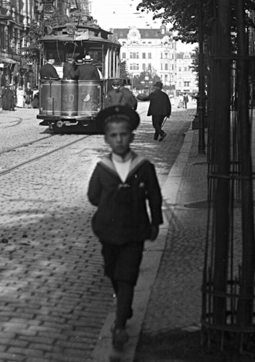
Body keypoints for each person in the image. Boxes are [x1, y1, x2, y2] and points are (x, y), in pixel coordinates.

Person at [87, 105, 163, 353]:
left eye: (124, 134)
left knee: (127, 276)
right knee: (112, 271)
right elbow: (93, 196)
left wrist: (154, 223)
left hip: (134, 231)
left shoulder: (144, 167)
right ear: (107, 139)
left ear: (131, 136)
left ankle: (119, 326)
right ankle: (124, 305)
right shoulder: (102, 169)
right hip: (108, 232)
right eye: (113, 136)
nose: (119, 140)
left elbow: (154, 196)